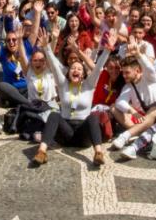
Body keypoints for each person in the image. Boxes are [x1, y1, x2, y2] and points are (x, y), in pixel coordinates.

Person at [31, 26, 110, 166]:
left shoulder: (89, 85)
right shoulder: (63, 85)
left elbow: (98, 69)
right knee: (54, 114)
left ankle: (98, 153)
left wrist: (107, 50)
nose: (76, 70)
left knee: (93, 117)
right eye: (73, 68)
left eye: (79, 69)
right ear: (68, 72)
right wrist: (46, 48)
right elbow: (55, 66)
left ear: (84, 74)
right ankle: (42, 152)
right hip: (65, 132)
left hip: (83, 134)